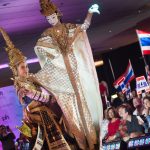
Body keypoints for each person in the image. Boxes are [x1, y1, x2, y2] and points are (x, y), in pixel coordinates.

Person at [33, 0, 103, 149]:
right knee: (72, 114)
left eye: (52, 16)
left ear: (57, 14)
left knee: (88, 106)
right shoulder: (47, 34)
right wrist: (54, 54)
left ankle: (93, 141)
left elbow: (83, 27)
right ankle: (82, 143)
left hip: (78, 75)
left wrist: (89, 13)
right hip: (65, 78)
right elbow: (40, 47)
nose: (51, 20)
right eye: (48, 19)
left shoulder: (69, 27)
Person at [0, 28, 73, 149]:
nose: (27, 69)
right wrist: (49, 97)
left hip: (44, 113)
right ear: (15, 70)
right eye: (23, 67)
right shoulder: (20, 85)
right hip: (39, 118)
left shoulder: (32, 80)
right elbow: (41, 97)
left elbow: (46, 94)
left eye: (27, 66)